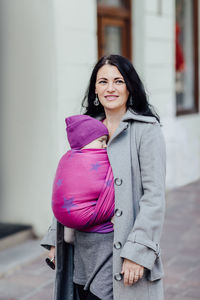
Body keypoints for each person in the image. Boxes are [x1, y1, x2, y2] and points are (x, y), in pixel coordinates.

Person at [41, 54, 166, 300]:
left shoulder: (146, 131)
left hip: (120, 250)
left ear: (130, 87)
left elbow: (154, 198)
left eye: (118, 81)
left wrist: (138, 252)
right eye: (103, 81)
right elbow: (69, 187)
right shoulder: (86, 128)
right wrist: (54, 237)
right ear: (95, 88)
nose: (110, 88)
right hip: (82, 251)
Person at [52, 114, 115, 232]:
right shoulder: (79, 159)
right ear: (85, 139)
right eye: (101, 140)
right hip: (89, 225)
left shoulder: (65, 158)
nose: (105, 145)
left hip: (70, 226)